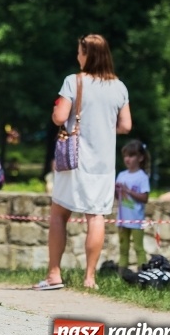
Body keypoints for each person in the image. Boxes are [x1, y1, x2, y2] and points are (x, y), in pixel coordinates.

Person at [35, 34, 130, 291]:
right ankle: (90, 278)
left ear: (88, 54)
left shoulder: (73, 81)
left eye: (80, 51)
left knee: (59, 213)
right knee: (96, 216)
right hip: (103, 164)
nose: (77, 56)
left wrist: (58, 113)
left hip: (73, 160)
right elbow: (126, 125)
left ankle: (54, 274)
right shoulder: (119, 87)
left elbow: (60, 117)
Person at [115, 140, 150, 272]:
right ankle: (122, 274)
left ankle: (143, 274)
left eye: (131, 155)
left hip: (136, 220)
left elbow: (145, 198)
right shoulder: (121, 175)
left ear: (140, 158)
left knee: (138, 248)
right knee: (123, 248)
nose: (127, 159)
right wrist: (116, 190)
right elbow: (118, 198)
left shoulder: (142, 177)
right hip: (122, 219)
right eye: (125, 156)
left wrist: (128, 191)